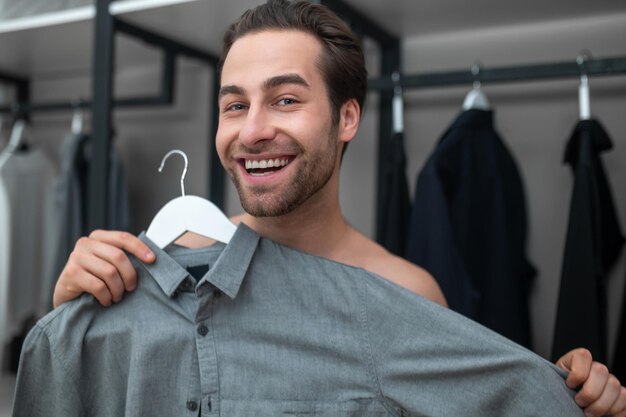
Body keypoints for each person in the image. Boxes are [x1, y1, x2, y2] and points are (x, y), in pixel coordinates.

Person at [17, 0, 625, 416]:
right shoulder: (145, 273)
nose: (252, 131)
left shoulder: (405, 293)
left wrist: (569, 394)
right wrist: (70, 322)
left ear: (347, 118)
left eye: (284, 99)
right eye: (234, 106)